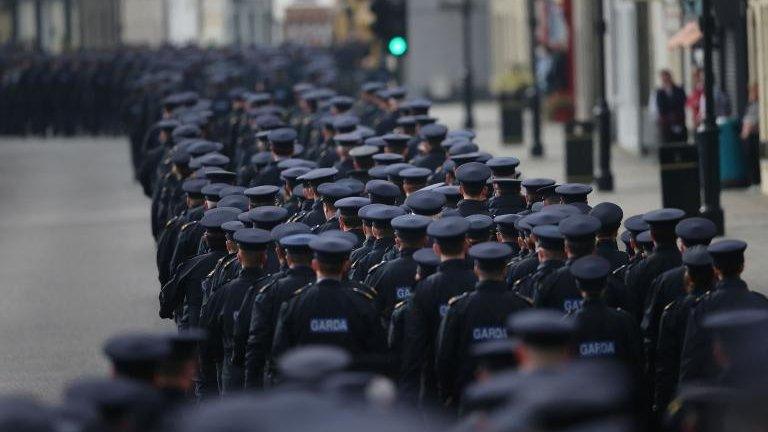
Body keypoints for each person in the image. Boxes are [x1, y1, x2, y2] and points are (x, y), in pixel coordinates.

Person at [435, 242, 530, 409]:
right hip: (513, 396)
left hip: (468, 392)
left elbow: (445, 355)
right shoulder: (521, 305)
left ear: (476, 269)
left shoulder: (460, 307)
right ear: (505, 270)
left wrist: (448, 393)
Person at [272, 236, 387, 365]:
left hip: (307, 380)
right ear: (345, 266)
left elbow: (280, 354)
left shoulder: (295, 303)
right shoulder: (361, 302)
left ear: (314, 265)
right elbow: (378, 351)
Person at [401, 216, 477, 406]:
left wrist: (409, 392)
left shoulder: (425, 288)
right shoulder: (477, 283)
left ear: (435, 249)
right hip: (476, 378)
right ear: (466, 246)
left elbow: (415, 342)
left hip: (434, 383)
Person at [679, 239, 768, 384]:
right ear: (742, 266)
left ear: (715, 269)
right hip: (756, 390)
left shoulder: (703, 306)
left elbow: (691, 356)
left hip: (717, 391)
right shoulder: (761, 302)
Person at [654, 70, 688, 143]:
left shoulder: (679, 90)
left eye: (667, 77)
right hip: (667, 125)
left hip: (679, 121)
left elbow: (682, 102)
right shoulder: (660, 92)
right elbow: (661, 107)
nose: (665, 80)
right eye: (663, 78)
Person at [741, 83, 762, 186]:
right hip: (748, 136)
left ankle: (756, 180)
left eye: (752, 92)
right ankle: (753, 180)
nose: (750, 94)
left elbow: (755, 121)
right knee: (749, 158)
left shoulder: (758, 105)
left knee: (754, 158)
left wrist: (747, 129)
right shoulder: (750, 105)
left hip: (753, 135)